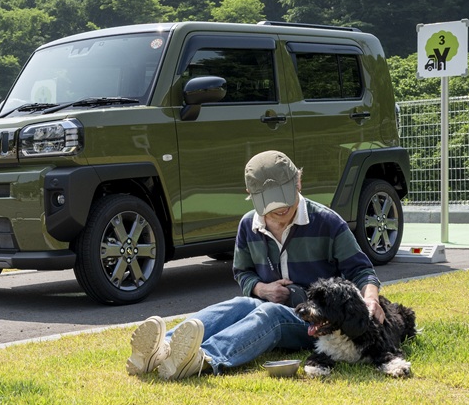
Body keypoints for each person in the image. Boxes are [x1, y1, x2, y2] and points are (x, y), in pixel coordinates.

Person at [128, 150, 386, 380]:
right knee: (239, 304)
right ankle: (162, 348)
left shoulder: (329, 222)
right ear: (250, 195)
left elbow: (361, 270)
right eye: (271, 203)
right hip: (265, 305)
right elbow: (242, 272)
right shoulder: (247, 225)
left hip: (317, 321)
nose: (281, 209)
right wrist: (261, 289)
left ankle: (205, 358)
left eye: (285, 198)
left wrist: (371, 299)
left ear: (298, 182)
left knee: (271, 313)